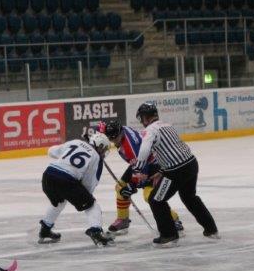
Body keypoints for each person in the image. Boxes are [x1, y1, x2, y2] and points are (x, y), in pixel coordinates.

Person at [132, 103, 218, 246]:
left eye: (141, 118)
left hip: (176, 171)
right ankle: (211, 229)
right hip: (191, 164)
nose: (142, 122)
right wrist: (161, 171)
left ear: (145, 117)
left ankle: (169, 235)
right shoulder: (167, 125)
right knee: (190, 197)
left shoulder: (150, 130)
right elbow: (171, 149)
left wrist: (137, 170)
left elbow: (144, 150)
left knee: (156, 200)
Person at [99, 120, 183, 235]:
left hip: (153, 166)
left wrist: (132, 185)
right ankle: (123, 219)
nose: (113, 141)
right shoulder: (122, 129)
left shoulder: (131, 148)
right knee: (120, 187)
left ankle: (173, 220)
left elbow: (141, 170)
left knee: (150, 196)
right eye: (110, 138)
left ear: (120, 133)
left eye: (115, 138)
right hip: (140, 162)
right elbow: (103, 128)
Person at [38, 132, 114, 247]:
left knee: (58, 202)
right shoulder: (96, 158)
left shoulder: (76, 142)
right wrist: (84, 198)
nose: (104, 153)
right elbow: (89, 184)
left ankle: (45, 230)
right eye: (104, 150)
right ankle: (96, 232)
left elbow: (51, 151)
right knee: (92, 205)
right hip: (66, 180)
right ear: (100, 146)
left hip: (48, 176)